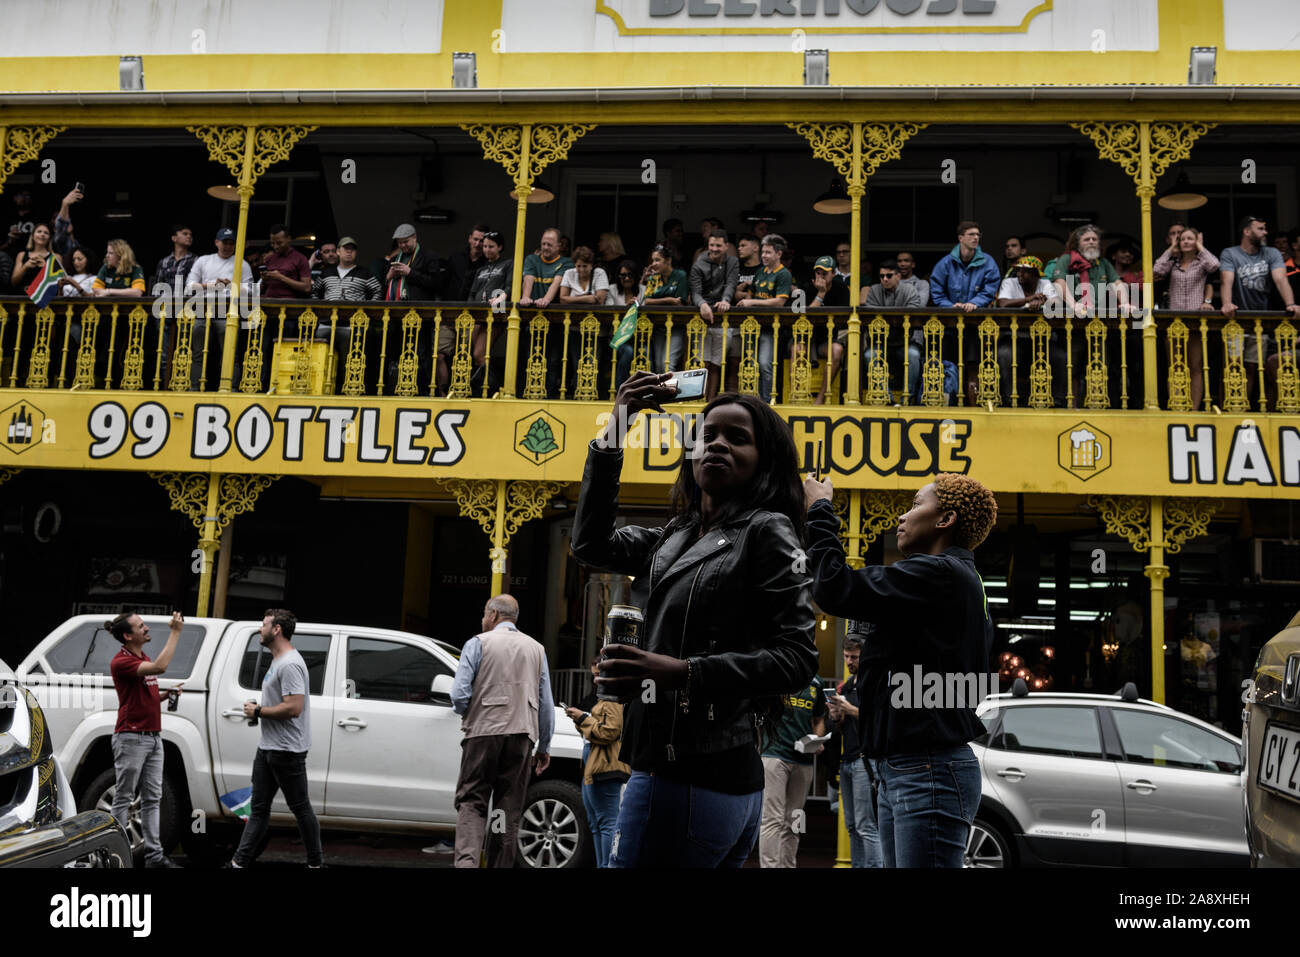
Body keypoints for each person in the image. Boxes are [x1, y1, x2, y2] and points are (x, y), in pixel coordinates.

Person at [570, 381, 818, 867]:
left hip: (692, 774)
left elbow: (797, 659)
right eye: (706, 435)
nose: (718, 443)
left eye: (737, 437)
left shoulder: (767, 530)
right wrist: (618, 424)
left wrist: (679, 671)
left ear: (763, 460)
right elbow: (589, 545)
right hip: (671, 769)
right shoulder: (675, 535)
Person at [803, 471, 998, 868]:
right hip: (912, 767)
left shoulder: (940, 574)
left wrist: (820, 509)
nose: (902, 517)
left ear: (945, 520)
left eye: (915, 504)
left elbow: (835, 588)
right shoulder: (959, 581)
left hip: (926, 769)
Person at [450, 594, 553, 868]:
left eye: (485, 614)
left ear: (494, 615)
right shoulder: (537, 649)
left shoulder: (477, 643)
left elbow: (458, 695)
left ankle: (466, 864)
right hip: (522, 736)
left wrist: (472, 713)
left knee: (473, 801)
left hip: (482, 734)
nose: (483, 619)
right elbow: (546, 706)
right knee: (505, 810)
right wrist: (543, 747)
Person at [228, 608, 323, 869]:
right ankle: (238, 863)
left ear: (277, 629)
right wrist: (260, 708)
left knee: (301, 809)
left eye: (264, 624)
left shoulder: (290, 663)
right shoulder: (277, 660)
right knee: (258, 810)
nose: (261, 629)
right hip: (267, 748)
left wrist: (258, 711)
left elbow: (293, 708)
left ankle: (316, 863)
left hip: (286, 751)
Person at [107, 610, 185, 868]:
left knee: (153, 798)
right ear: (128, 636)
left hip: (153, 737)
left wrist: (163, 695)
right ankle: (116, 856)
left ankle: (154, 857)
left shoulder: (142, 657)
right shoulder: (122, 661)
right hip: (131, 737)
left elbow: (144, 692)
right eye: (141, 626)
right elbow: (161, 667)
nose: (147, 628)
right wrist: (175, 632)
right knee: (124, 797)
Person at [1220, 216, 1300, 405]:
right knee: (1232, 366)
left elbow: (1281, 279)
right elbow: (1226, 280)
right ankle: (1228, 409)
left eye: (1265, 228)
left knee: (1251, 367)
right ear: (1247, 232)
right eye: (1261, 229)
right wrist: (1226, 303)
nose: (1265, 232)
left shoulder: (1271, 253)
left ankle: (1244, 408)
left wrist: (1290, 303)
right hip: (1236, 320)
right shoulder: (1230, 253)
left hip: (1260, 322)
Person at [564, 657, 630, 868]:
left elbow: (609, 731)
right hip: (597, 762)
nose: (595, 680)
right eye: (594, 674)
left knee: (606, 823)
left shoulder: (611, 698)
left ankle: (607, 865)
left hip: (605, 765)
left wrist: (582, 718)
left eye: (598, 674)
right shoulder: (606, 697)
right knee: (597, 823)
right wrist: (580, 719)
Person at [825, 631, 881, 867]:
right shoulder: (846, 686)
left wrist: (849, 709)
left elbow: (878, 718)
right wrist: (837, 716)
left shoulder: (872, 684)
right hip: (847, 759)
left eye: (854, 657)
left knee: (866, 825)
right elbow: (840, 728)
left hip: (864, 760)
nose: (849, 662)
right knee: (851, 826)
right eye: (847, 656)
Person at [759, 673, 826, 868]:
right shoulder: (779, 674)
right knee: (772, 819)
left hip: (804, 759)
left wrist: (817, 739)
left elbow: (819, 720)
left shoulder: (817, 682)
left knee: (796, 820)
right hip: (774, 754)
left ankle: (788, 865)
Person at [1152, 227, 1218, 410]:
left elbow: (1214, 265)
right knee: (1175, 366)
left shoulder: (1202, 263)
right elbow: (1157, 269)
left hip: (1195, 320)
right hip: (1174, 320)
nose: (1186, 242)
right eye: (1183, 239)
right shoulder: (1173, 263)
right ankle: (1177, 405)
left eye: (1190, 239)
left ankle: (1194, 408)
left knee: (1195, 366)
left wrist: (1200, 246)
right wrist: (1171, 248)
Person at [185, 227, 255, 390]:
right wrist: (210, 285)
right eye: (225, 242)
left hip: (228, 312)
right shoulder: (204, 260)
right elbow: (189, 286)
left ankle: (230, 389)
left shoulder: (241, 263)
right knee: (197, 353)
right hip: (203, 310)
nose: (228, 246)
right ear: (217, 242)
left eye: (231, 243)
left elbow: (251, 290)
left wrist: (229, 285)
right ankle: (194, 388)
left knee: (231, 354)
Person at [995, 254, 1065, 406]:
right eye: (1018, 270)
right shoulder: (1009, 282)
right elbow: (1003, 303)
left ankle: (1058, 402)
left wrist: (1043, 302)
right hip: (1014, 337)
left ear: (1035, 275)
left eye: (1024, 271)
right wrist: (1029, 299)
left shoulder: (1045, 283)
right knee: (1004, 355)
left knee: (1061, 357)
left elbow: (1057, 302)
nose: (1020, 274)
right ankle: (1008, 401)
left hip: (1042, 338)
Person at [733, 233, 790, 401]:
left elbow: (780, 301)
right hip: (753, 326)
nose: (764, 256)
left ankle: (766, 402)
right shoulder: (760, 272)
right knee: (750, 364)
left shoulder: (783, 274)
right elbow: (750, 295)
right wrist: (743, 298)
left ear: (778, 254)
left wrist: (752, 303)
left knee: (765, 364)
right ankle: (752, 400)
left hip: (770, 328)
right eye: (763, 252)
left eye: (768, 252)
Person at [860, 259, 925, 404]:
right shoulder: (874, 290)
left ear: (898, 276)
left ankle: (907, 397)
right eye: (881, 276)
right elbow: (871, 315)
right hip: (881, 341)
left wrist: (888, 318)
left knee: (913, 355)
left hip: (905, 341)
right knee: (869, 355)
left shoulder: (909, 289)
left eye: (889, 276)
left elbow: (913, 312)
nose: (884, 279)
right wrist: (896, 318)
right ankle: (887, 397)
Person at [459, 230, 512, 396]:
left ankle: (493, 387)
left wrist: (502, 297)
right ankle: (480, 385)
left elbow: (510, 286)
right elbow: (472, 293)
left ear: (500, 247)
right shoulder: (480, 269)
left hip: (496, 315)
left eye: (491, 246)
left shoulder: (508, 263)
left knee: (479, 353)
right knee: (470, 353)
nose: (487, 250)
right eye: (485, 246)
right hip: (477, 315)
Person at [690, 228, 740, 400]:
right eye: (712, 245)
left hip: (722, 317)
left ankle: (710, 402)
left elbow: (731, 284)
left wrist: (726, 300)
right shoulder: (698, 264)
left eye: (718, 245)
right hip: (702, 317)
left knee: (716, 364)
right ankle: (698, 400)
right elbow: (695, 291)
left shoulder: (733, 262)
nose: (715, 249)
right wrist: (702, 304)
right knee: (703, 364)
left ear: (726, 246)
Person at [641, 243, 690, 374]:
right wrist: (669, 300)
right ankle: (661, 393)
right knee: (657, 366)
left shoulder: (680, 276)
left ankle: (669, 393)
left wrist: (658, 301)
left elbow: (680, 303)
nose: (654, 263)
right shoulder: (653, 278)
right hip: (658, 326)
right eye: (653, 260)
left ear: (668, 261)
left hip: (676, 326)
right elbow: (646, 301)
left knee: (667, 364)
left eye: (657, 260)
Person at [312, 236, 381, 301]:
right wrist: (320, 310)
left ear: (356, 252)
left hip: (355, 313)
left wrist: (368, 309)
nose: (349, 251)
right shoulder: (326, 273)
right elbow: (314, 291)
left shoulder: (364, 273)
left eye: (352, 249)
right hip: (330, 312)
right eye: (346, 248)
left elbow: (378, 290)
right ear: (338, 251)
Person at [519, 226, 572, 309]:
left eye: (549, 245)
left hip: (553, 312)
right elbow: (528, 279)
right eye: (543, 244)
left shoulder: (566, 263)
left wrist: (545, 299)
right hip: (530, 310)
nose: (545, 247)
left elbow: (556, 283)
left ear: (558, 246)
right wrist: (525, 297)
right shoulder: (531, 259)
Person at [261, 225, 312, 299]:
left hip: (289, 304)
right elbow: (263, 287)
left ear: (289, 239)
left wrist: (280, 277)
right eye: (272, 243)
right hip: (269, 302)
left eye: (279, 243)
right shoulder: (269, 259)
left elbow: (307, 288)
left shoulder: (300, 258)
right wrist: (264, 280)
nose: (275, 246)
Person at [11, 222, 63, 291]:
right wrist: (25, 266)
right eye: (39, 232)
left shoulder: (56, 257)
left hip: (45, 299)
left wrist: (45, 267)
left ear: (49, 238)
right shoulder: (22, 255)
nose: (42, 234)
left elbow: (60, 284)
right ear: (32, 236)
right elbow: (14, 282)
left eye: (46, 233)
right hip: (23, 298)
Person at [442, 224, 487, 300]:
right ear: (470, 239)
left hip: (475, 307)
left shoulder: (488, 263)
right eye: (475, 239)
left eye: (481, 241)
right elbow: (444, 282)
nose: (477, 244)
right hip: (451, 305)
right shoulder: (455, 258)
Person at [150, 224, 196, 295]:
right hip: (166, 304)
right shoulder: (164, 262)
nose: (189, 236)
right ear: (174, 238)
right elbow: (158, 287)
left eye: (190, 235)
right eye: (185, 234)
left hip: (186, 304)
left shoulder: (196, 260)